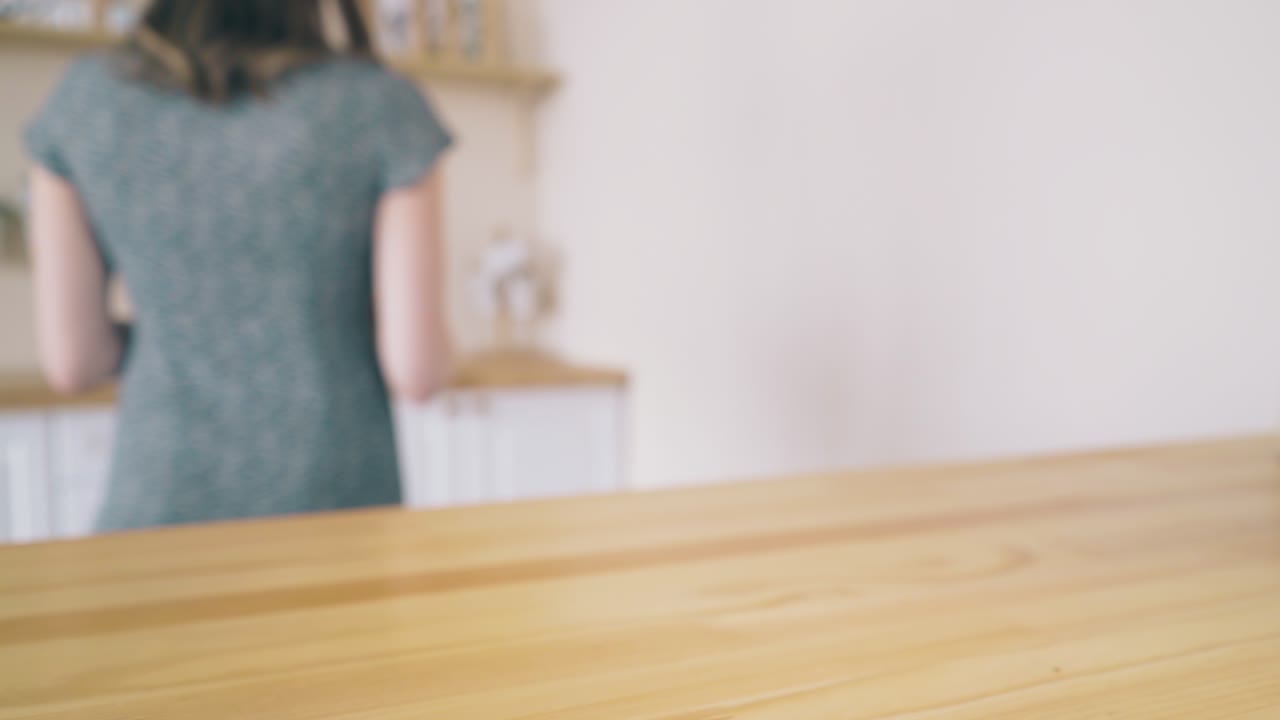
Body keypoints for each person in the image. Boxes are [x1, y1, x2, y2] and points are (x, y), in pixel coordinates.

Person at [24, 0, 454, 532]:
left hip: (157, 495)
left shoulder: (85, 100)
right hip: (335, 500)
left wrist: (186, 328)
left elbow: (74, 362)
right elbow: (417, 369)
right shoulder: (379, 104)